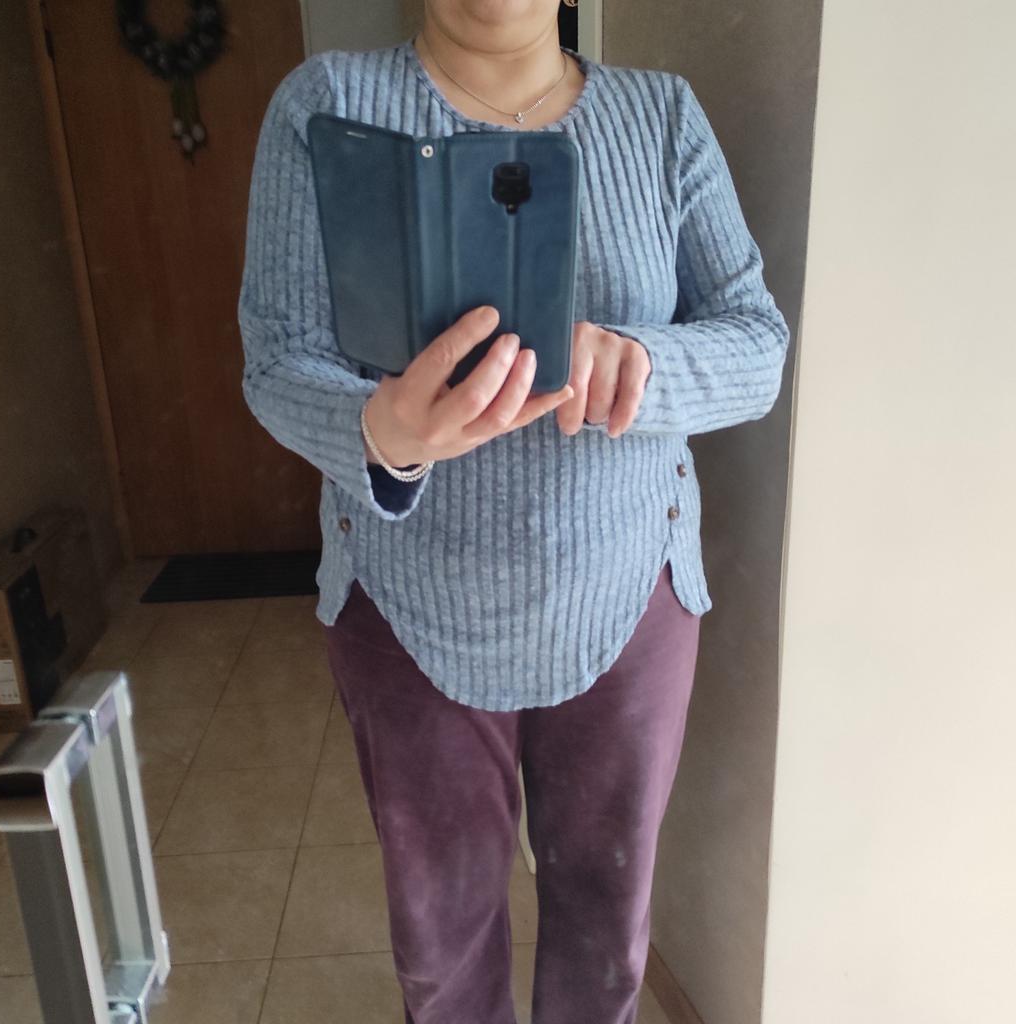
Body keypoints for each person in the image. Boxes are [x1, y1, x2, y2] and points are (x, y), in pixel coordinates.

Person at [237, 2, 790, 1021]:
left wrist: (643, 365)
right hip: (407, 603)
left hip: (629, 594)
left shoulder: (661, 116)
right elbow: (276, 360)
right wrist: (382, 429)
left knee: (607, 934)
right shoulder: (327, 105)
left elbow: (757, 342)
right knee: (440, 946)